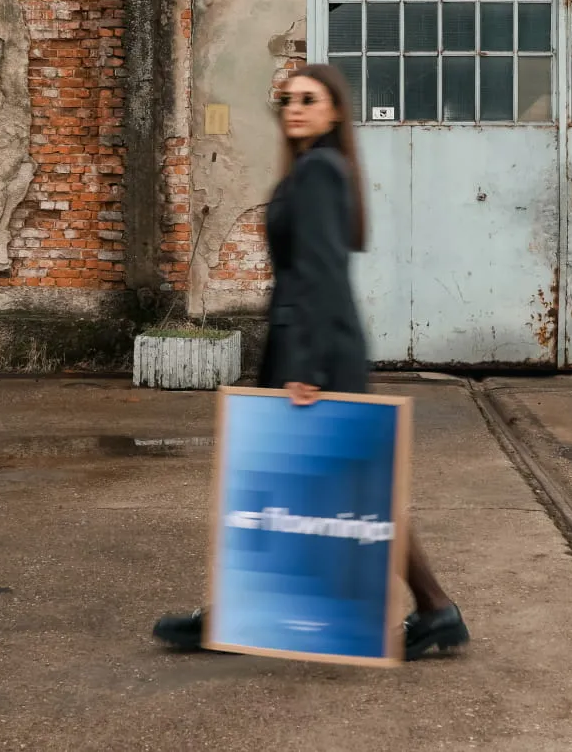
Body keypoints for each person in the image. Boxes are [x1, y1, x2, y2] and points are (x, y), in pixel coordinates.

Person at [153, 64, 469, 661]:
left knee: (315, 488)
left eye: (309, 99)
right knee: (327, 488)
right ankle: (432, 609)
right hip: (313, 343)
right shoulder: (312, 169)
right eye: (288, 99)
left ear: (333, 113)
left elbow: (321, 272)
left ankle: (238, 616)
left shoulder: (320, 170)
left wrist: (305, 368)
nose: (294, 108)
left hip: (315, 351)